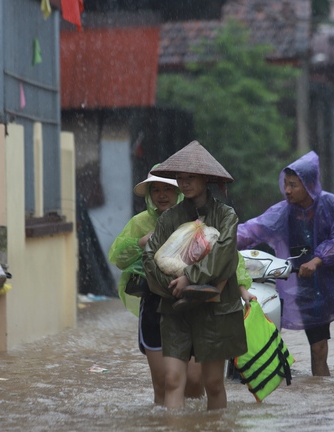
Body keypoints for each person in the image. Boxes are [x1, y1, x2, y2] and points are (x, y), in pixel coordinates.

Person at [237, 151, 334, 376]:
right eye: (285, 184)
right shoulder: (282, 213)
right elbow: (253, 229)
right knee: (318, 350)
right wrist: (217, 239)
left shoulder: (333, 205)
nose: (287, 190)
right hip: (307, 288)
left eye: (293, 185)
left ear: (310, 185)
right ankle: (322, 400)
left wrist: (317, 260)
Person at [143, 141, 252, 411]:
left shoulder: (226, 216)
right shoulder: (169, 218)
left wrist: (190, 278)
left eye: (190, 177)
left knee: (213, 383)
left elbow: (225, 255)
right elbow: (150, 256)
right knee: (172, 380)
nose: (184, 182)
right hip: (175, 308)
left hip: (214, 308)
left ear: (206, 179)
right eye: (181, 177)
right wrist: (173, 287)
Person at [107, 168, 205, 405]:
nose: (162, 195)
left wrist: (243, 289)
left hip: (191, 304)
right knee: (163, 381)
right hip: (154, 305)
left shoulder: (196, 218)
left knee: (194, 381)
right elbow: (119, 257)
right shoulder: (140, 223)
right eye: (156, 190)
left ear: (179, 191)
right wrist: (142, 242)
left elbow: (226, 257)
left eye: (168, 189)